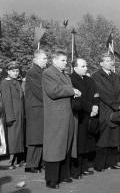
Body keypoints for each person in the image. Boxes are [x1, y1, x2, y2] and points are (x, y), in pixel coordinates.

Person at [42, 49, 81, 189]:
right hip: (56, 117)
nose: (66, 63)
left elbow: (62, 89)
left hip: (67, 115)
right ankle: (51, 180)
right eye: (63, 60)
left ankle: (64, 175)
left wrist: (73, 92)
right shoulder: (48, 74)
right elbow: (53, 91)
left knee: (66, 146)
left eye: (66, 60)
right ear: (54, 60)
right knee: (55, 148)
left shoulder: (64, 74)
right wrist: (72, 91)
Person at [92, 53, 120, 171]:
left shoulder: (115, 76)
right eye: (106, 61)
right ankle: (100, 164)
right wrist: (116, 104)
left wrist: (119, 103)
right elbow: (102, 93)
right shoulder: (96, 76)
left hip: (116, 109)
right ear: (101, 63)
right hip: (105, 110)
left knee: (114, 138)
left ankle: (112, 162)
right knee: (103, 139)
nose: (110, 63)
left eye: (111, 61)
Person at [70, 58, 99, 178]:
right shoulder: (71, 79)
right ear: (75, 68)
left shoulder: (90, 80)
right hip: (79, 115)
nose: (86, 68)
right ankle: (76, 170)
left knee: (88, 142)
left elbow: (96, 93)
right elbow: (77, 99)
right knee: (78, 143)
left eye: (86, 66)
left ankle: (85, 167)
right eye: (83, 66)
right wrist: (91, 108)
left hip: (90, 115)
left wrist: (96, 105)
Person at [24, 50, 48, 173]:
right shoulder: (33, 72)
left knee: (40, 138)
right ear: (35, 59)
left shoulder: (41, 72)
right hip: (36, 109)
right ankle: (30, 165)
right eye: (43, 58)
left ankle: (37, 163)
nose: (46, 61)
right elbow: (39, 91)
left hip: (40, 108)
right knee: (35, 138)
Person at [0, 61, 25, 169]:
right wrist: (10, 117)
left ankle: (18, 160)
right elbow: (7, 101)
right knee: (12, 138)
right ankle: (10, 161)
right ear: (8, 72)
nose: (15, 73)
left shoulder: (17, 82)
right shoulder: (5, 83)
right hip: (12, 115)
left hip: (20, 115)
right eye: (13, 71)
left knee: (19, 137)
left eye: (17, 71)